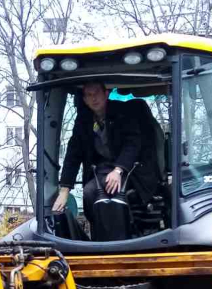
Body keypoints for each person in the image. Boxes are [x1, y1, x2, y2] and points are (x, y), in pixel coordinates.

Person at [53, 82, 157, 228]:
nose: (93, 98)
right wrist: (64, 190)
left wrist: (118, 170)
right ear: (84, 100)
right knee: (89, 192)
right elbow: (73, 154)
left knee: (111, 190)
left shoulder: (123, 112)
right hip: (101, 170)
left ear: (106, 93)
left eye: (96, 93)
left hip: (131, 168)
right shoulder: (83, 120)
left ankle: (124, 234)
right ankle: (98, 236)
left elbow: (132, 143)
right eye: (89, 95)